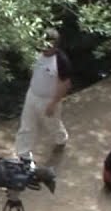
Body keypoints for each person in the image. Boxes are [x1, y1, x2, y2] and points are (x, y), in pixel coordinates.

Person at [14, 28, 72, 160]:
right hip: (32, 95)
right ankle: (23, 155)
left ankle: (61, 139)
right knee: (26, 125)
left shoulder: (61, 61)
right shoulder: (36, 54)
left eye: (48, 45)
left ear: (55, 45)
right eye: (43, 44)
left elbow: (65, 84)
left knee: (53, 125)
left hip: (49, 100)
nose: (44, 48)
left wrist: (53, 103)